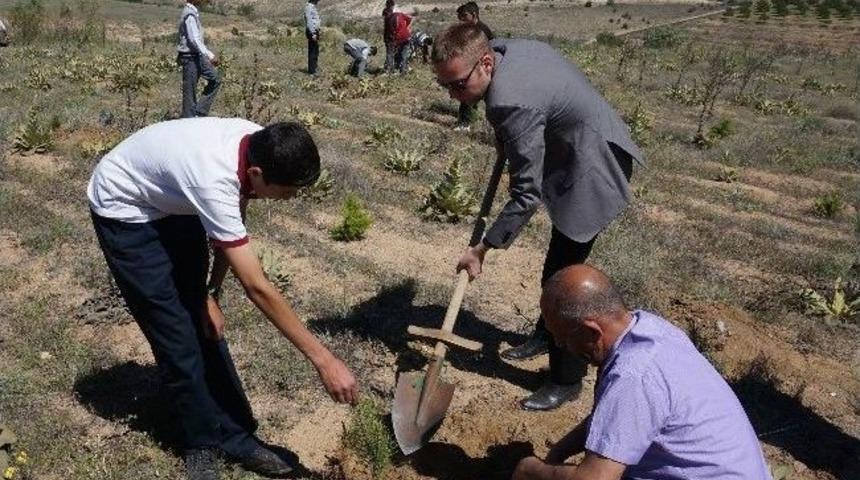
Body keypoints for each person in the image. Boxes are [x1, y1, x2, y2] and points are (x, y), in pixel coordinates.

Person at [87, 118, 359, 480]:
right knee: (176, 334)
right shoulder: (212, 178)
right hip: (126, 208)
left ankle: (237, 436)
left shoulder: (256, 140)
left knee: (205, 323)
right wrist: (324, 361)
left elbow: (236, 210)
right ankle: (200, 442)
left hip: (174, 199)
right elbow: (257, 286)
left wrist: (209, 293)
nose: (290, 199)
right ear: (258, 172)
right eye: (287, 191)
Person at [432, 24, 644, 411]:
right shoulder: (503, 50)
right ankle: (546, 334)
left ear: (484, 63)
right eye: (444, 86)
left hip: (593, 164)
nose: (452, 95)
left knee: (561, 281)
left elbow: (525, 196)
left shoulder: (511, 102)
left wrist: (482, 248)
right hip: (573, 143)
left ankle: (566, 379)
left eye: (458, 86)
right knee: (557, 268)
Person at [511, 264, 772, 480]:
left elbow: (594, 479)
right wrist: (557, 453)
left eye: (563, 339)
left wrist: (531, 470)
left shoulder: (633, 376)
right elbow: (608, 421)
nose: (560, 346)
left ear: (592, 331)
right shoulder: (649, 329)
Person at [176, 0, 221, 118]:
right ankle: (188, 121)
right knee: (190, 93)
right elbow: (194, 40)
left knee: (215, 79)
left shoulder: (193, 13)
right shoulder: (189, 14)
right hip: (189, 57)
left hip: (197, 56)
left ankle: (200, 111)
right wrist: (210, 55)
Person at [454, 2, 494, 131]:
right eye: (460, 16)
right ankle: (468, 119)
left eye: (464, 15)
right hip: (471, 67)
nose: (462, 18)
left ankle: (465, 124)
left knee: (468, 92)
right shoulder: (469, 29)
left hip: (481, 68)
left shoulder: (482, 30)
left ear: (474, 14)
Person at [385, 9, 413, 74]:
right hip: (406, 37)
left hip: (397, 38)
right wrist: (406, 26)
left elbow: (389, 31)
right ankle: (403, 70)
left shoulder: (389, 18)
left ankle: (390, 70)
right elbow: (409, 18)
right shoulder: (401, 15)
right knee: (404, 54)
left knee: (392, 53)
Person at [304, 0, 321, 75]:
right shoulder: (309, 8)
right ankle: (312, 71)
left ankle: (314, 68)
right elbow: (309, 21)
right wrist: (313, 33)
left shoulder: (312, 7)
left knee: (315, 50)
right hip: (312, 32)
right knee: (313, 51)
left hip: (314, 31)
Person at [382, 0, 397, 72]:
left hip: (388, 36)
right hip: (390, 36)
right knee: (390, 53)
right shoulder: (389, 13)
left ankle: (389, 67)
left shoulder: (386, 12)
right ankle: (389, 68)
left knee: (390, 52)